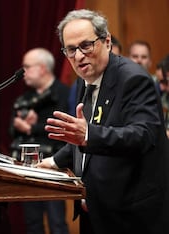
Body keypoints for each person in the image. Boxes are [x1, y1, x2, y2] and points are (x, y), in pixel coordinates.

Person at [37, 9, 169, 234]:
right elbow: (86, 140)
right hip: (96, 210)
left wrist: (87, 134)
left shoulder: (133, 79)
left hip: (131, 215)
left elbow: (142, 136)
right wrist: (52, 162)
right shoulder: (84, 79)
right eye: (71, 50)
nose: (78, 56)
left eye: (86, 45)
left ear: (107, 41)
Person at [9, 48, 69, 234]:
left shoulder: (64, 94)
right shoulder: (24, 98)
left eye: (27, 67)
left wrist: (32, 128)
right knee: (32, 222)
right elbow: (11, 130)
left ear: (42, 68)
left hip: (53, 166)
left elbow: (64, 129)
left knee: (57, 222)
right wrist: (18, 126)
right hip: (26, 167)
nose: (23, 71)